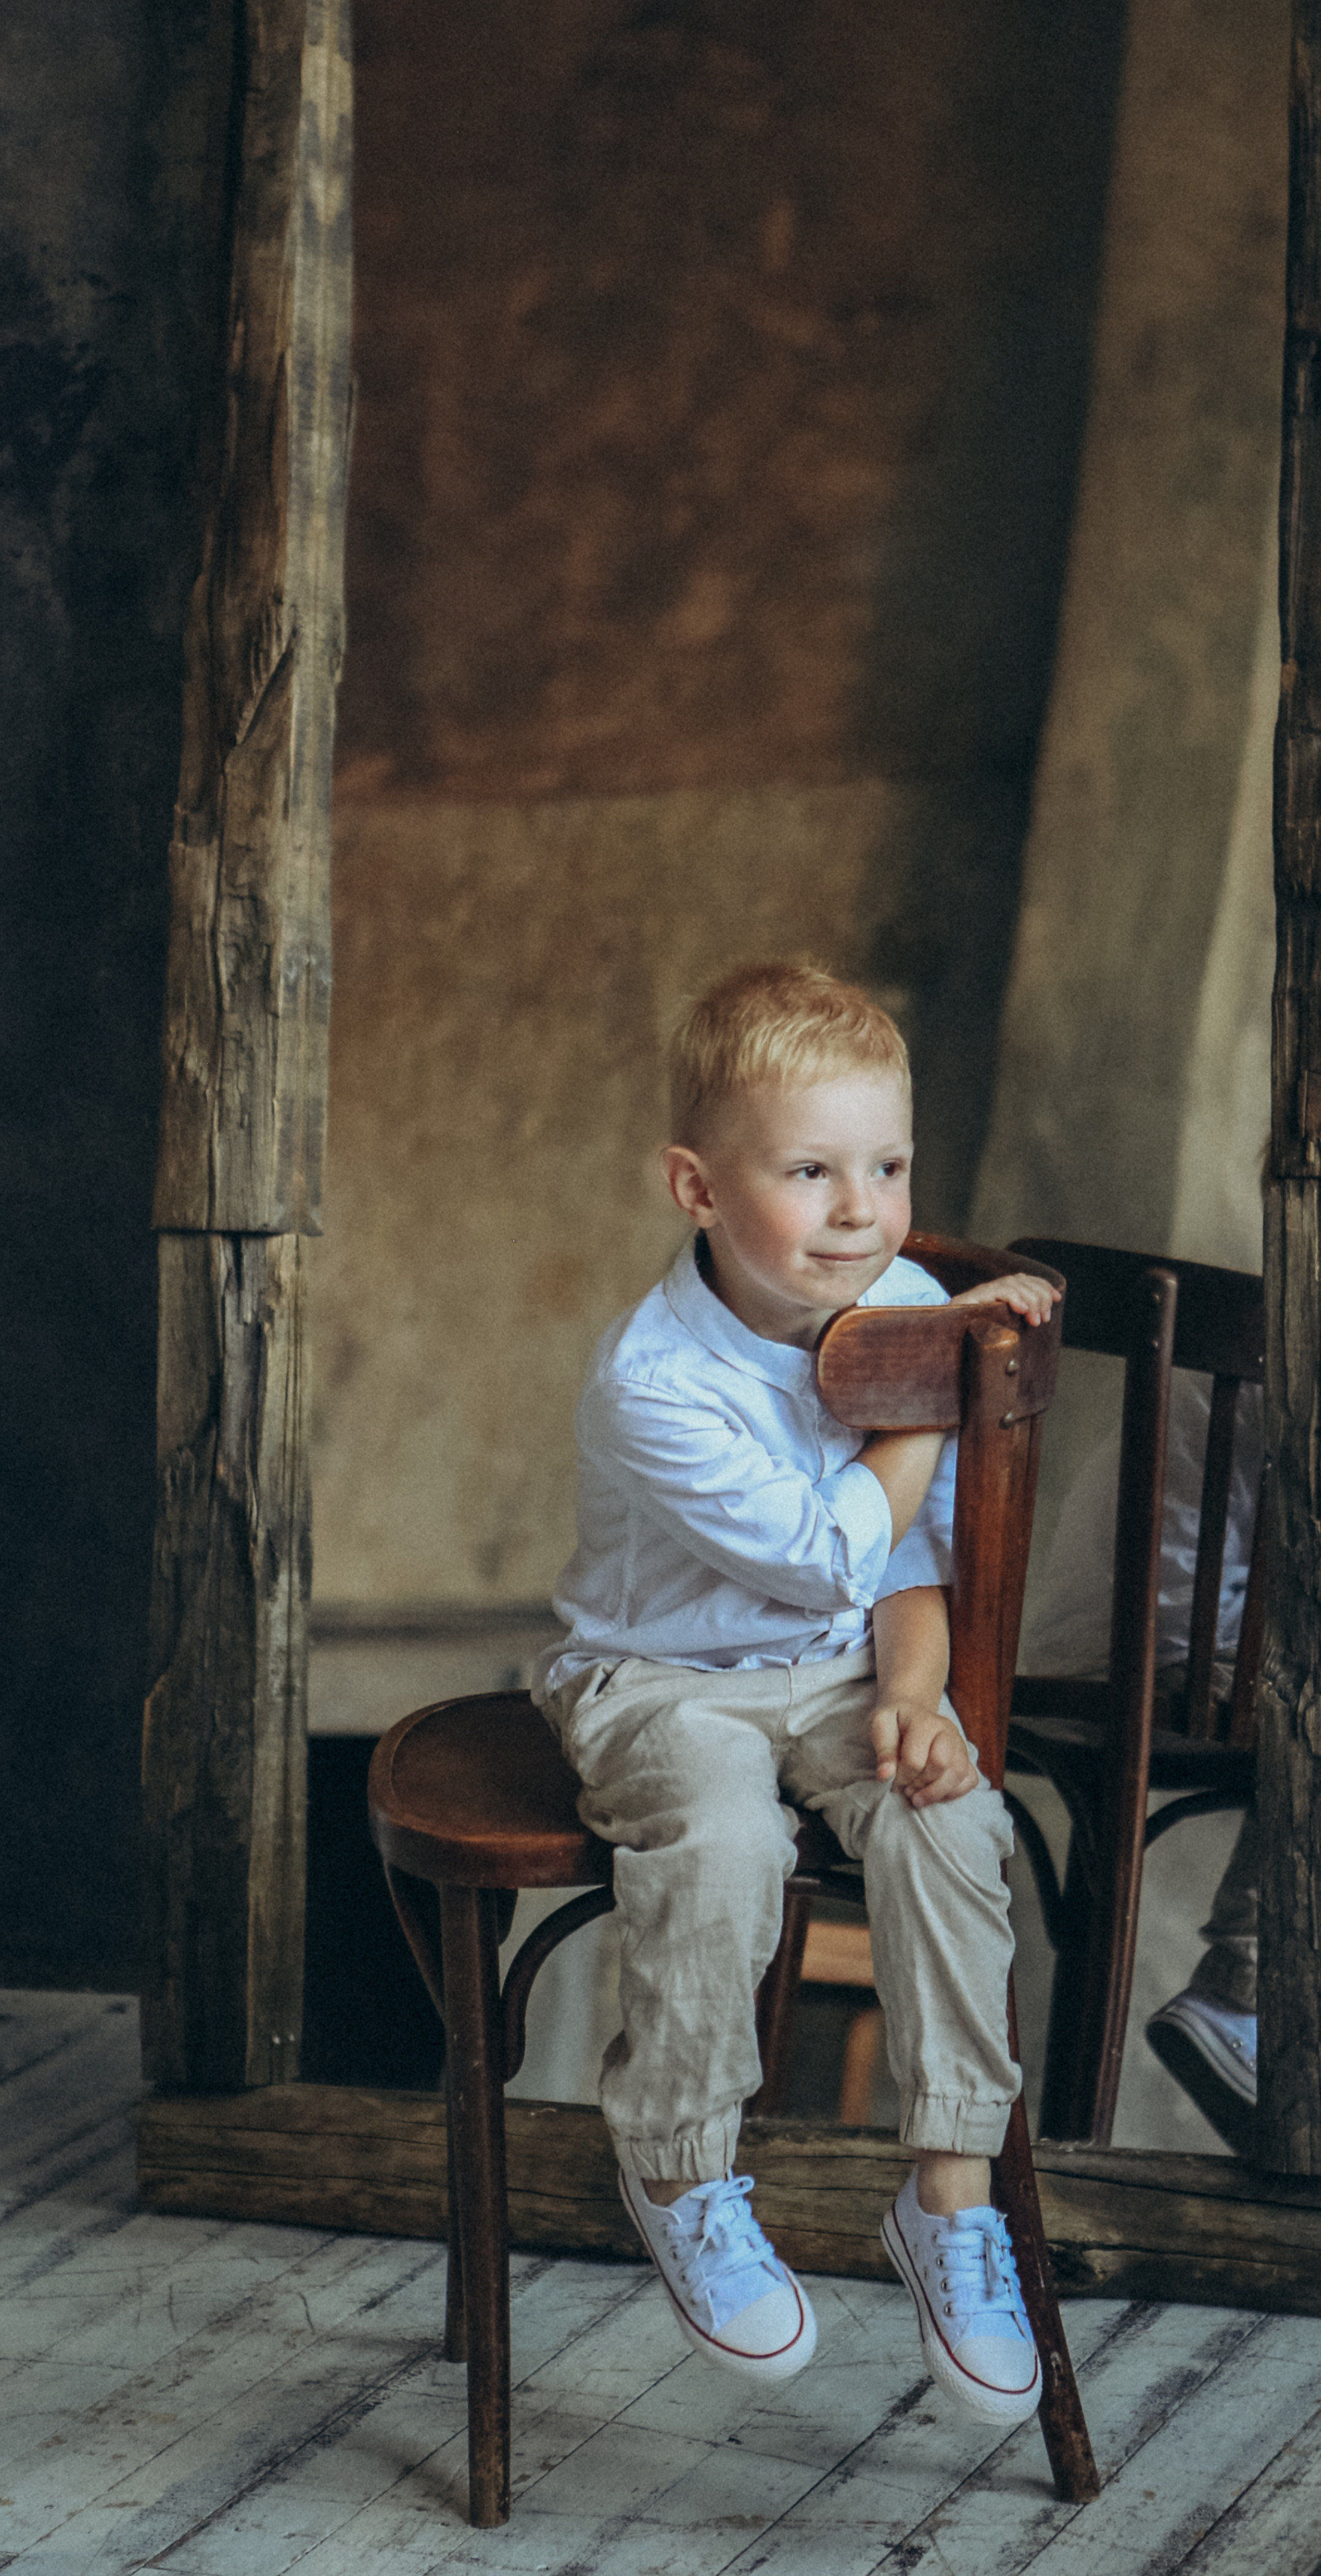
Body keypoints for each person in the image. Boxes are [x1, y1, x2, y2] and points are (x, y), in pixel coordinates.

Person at [534, 960, 1057, 2423]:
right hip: (660, 1680)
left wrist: (915, 1698)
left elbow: (905, 1568)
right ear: (696, 1188)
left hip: (837, 1668)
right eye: (808, 1171)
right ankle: (679, 2169)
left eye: (885, 1167)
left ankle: (948, 2196)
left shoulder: (898, 1299)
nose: (858, 1211)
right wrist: (938, 1383)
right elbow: (826, 1548)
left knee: (950, 1820)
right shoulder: (653, 1382)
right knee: (723, 1839)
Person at [1018, 1356, 1263, 2150]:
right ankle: (1240, 1989)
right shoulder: (1291, 1375)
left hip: (1081, 1656)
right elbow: (1182, 1601)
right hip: (1153, 1659)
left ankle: (1242, 1991)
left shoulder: (1211, 1368)